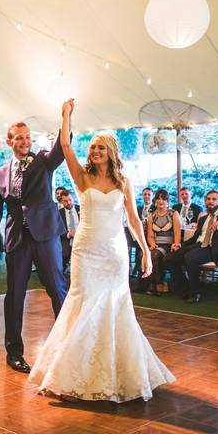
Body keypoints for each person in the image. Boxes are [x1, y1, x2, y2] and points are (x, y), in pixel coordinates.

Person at [29, 99, 173, 402]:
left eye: (100, 148)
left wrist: (146, 251)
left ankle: (117, 375)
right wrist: (66, 115)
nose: (95, 152)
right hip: (86, 251)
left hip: (115, 254)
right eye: (93, 147)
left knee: (114, 309)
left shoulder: (123, 182)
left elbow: (133, 218)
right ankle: (69, 374)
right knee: (82, 305)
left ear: (111, 153)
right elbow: (66, 147)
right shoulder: (82, 176)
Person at [0, 117, 69, 375]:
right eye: (19, 137)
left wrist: (66, 117)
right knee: (14, 296)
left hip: (45, 235)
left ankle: (68, 346)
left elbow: (62, 148)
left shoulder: (43, 160)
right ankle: (14, 353)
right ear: (10, 141)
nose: (25, 141)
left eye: (27, 137)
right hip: (17, 240)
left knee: (57, 289)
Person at [166, 190, 218, 303]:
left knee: (190, 257)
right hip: (198, 245)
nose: (210, 201)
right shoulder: (202, 218)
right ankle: (186, 287)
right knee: (168, 258)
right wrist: (181, 244)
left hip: (212, 249)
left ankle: (195, 292)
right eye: (208, 199)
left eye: (213, 199)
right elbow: (195, 238)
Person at [143, 189, 180, 296]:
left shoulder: (174, 214)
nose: (160, 201)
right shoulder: (151, 216)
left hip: (169, 245)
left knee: (154, 254)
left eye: (163, 199)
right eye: (158, 199)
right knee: (146, 253)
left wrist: (176, 244)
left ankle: (157, 284)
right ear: (155, 201)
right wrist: (152, 244)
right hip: (156, 244)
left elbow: (177, 232)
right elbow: (150, 235)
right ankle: (153, 284)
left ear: (167, 201)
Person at [57, 190, 79, 274]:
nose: (68, 203)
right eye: (65, 201)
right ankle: (63, 273)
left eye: (70, 200)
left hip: (82, 239)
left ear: (73, 198)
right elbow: (58, 232)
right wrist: (69, 234)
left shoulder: (80, 209)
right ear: (61, 201)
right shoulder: (59, 213)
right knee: (63, 255)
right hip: (66, 239)